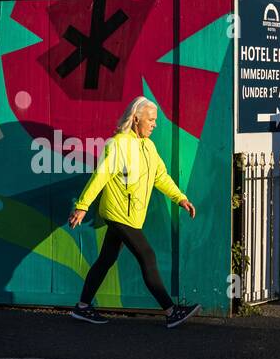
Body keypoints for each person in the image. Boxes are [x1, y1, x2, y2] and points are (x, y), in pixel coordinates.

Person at [68, 96, 200, 328]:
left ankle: (82, 307)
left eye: (155, 120)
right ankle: (171, 311)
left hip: (133, 215)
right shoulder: (118, 144)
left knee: (106, 259)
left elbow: (160, 176)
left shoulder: (148, 146)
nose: (154, 124)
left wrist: (180, 198)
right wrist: (82, 205)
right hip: (119, 213)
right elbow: (101, 176)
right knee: (147, 256)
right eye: (150, 120)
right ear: (136, 119)